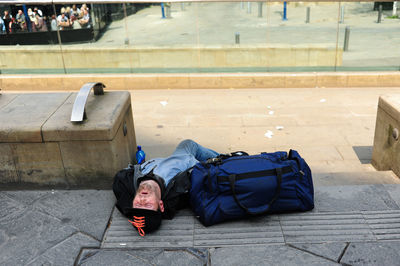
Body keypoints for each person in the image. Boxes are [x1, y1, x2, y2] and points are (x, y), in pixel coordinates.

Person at [113, 139, 219, 236]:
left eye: (138, 205)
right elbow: (194, 165)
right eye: (148, 205)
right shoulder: (177, 182)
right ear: (161, 205)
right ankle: (227, 157)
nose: (142, 200)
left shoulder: (124, 184)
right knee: (189, 144)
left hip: (149, 167)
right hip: (186, 160)